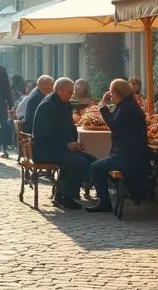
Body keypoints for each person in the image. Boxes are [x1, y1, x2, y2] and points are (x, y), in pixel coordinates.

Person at [86, 79, 151, 213]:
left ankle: (104, 203)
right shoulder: (127, 104)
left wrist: (102, 107)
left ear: (118, 93)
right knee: (99, 166)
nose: (110, 94)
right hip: (131, 153)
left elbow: (114, 126)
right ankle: (109, 197)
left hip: (126, 156)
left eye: (111, 92)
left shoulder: (126, 107)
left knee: (95, 167)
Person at [32, 78, 98, 210]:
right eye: (70, 93)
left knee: (91, 160)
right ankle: (65, 195)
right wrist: (66, 145)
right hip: (45, 150)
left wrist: (75, 143)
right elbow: (43, 136)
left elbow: (70, 127)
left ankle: (64, 191)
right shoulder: (47, 106)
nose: (72, 95)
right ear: (61, 91)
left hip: (60, 147)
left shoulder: (64, 103)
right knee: (81, 163)